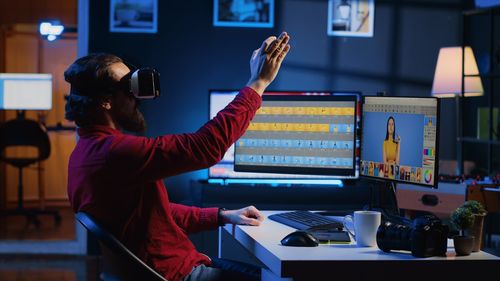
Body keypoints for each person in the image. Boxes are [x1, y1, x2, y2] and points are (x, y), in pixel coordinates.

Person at [64, 32, 291, 281]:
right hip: (176, 274)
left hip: (169, 267)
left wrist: (221, 215)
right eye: (128, 87)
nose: (136, 98)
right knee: (285, 276)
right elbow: (205, 147)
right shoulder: (115, 153)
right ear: (105, 101)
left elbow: (151, 214)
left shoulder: (86, 153)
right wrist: (257, 84)